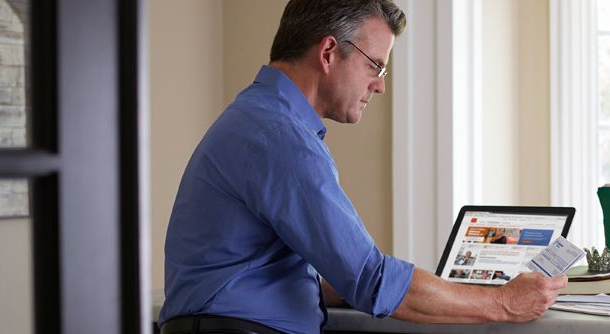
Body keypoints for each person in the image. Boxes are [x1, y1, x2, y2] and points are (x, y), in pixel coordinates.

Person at [157, 1, 567, 333]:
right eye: (376, 65)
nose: (380, 85)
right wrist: (503, 302)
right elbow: (371, 279)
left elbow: (268, 270)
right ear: (328, 53)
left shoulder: (259, 119)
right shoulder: (280, 137)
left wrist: (446, 291)